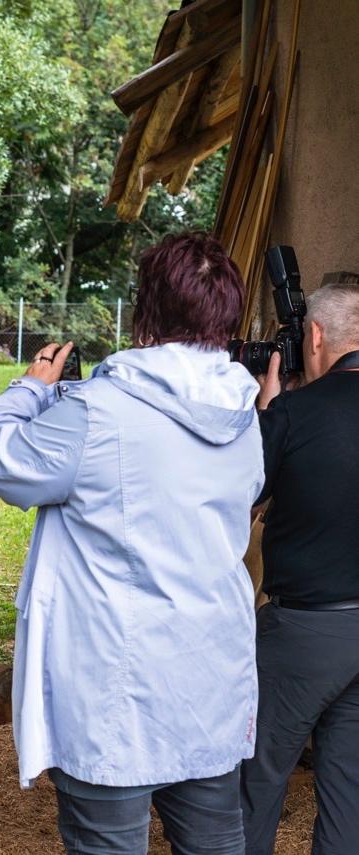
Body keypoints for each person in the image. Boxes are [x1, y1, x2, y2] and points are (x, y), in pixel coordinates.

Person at [0, 232, 264, 854]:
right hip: (209, 667)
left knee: (107, 842)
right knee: (214, 840)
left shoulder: (98, 411)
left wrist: (30, 389)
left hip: (114, 681)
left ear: (145, 310)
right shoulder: (244, 412)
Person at [240, 282, 359, 855]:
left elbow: (243, 495)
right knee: (348, 787)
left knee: (254, 775)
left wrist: (266, 410)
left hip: (305, 631)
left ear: (314, 336)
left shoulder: (294, 411)